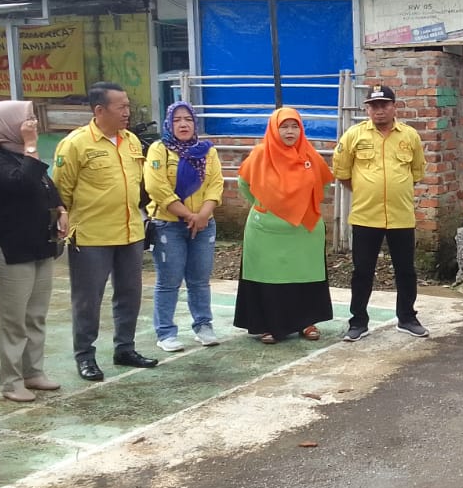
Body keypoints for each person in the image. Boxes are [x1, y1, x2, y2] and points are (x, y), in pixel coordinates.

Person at [52, 81, 158, 381]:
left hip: (130, 232)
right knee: (88, 300)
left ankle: (125, 348)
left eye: (128, 106)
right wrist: (64, 219)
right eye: (120, 107)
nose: (127, 112)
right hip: (92, 236)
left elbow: (139, 185)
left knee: (130, 294)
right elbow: (61, 191)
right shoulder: (75, 144)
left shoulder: (131, 141)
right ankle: (85, 356)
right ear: (99, 110)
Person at [0, 99, 67, 403]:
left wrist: (61, 208)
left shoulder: (23, 154)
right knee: (12, 319)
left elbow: (45, 185)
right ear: (7, 124)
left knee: (35, 315)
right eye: (27, 119)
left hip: (39, 244)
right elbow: (24, 184)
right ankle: (10, 380)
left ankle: (33, 371)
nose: (33, 125)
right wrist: (30, 145)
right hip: (10, 248)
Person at [332, 85, 428, 341]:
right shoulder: (354, 135)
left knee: (405, 270)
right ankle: (358, 322)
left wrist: (394, 189)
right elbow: (342, 172)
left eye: (384, 105)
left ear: (394, 107)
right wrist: (368, 190)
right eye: (373, 106)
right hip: (366, 216)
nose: (379, 110)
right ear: (367, 109)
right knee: (362, 271)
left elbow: (416, 173)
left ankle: (407, 318)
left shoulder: (410, 136)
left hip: (401, 216)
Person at [234, 107, 335, 343]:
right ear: (274, 129)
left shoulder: (310, 156)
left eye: (295, 126)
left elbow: (323, 186)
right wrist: (268, 205)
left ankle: (306, 321)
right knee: (268, 279)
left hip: (304, 232)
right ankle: (266, 324)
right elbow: (244, 184)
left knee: (304, 275)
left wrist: (301, 207)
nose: (290, 132)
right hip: (266, 232)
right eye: (284, 127)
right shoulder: (260, 155)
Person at [143, 101, 224, 352]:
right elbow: (156, 187)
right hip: (168, 225)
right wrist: (188, 214)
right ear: (169, 123)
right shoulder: (159, 150)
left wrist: (203, 215)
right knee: (169, 280)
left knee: (199, 280)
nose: (183, 124)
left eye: (188, 119)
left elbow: (216, 184)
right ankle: (166, 332)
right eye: (177, 120)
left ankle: (203, 325)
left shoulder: (207, 151)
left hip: (204, 224)